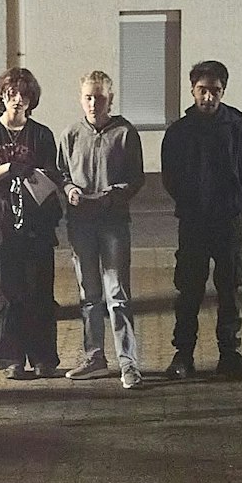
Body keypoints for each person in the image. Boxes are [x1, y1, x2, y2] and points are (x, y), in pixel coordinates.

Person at [162, 61, 242, 380]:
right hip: (193, 221)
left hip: (227, 221)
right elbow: (170, 176)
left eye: (215, 91)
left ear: (223, 91)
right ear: (192, 90)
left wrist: (232, 205)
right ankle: (183, 354)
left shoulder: (237, 127)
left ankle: (229, 353)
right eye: (202, 90)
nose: (208, 97)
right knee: (189, 289)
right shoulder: (179, 131)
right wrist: (191, 201)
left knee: (229, 288)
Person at [0, 68, 65, 379]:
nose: (17, 100)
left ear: (31, 100)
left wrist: (34, 176)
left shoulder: (42, 135)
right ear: (2, 96)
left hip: (36, 228)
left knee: (39, 293)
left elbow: (53, 178)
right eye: (12, 94)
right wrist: (9, 168)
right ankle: (10, 358)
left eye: (24, 95)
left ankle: (42, 357)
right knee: (3, 295)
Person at [60, 71, 145, 388]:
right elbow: (62, 173)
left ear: (111, 98)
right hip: (80, 224)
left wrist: (114, 194)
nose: (93, 103)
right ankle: (94, 358)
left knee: (117, 294)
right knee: (89, 295)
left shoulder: (125, 133)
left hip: (113, 225)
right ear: (81, 98)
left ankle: (129, 363)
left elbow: (137, 179)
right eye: (87, 97)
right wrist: (69, 189)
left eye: (99, 97)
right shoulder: (70, 134)